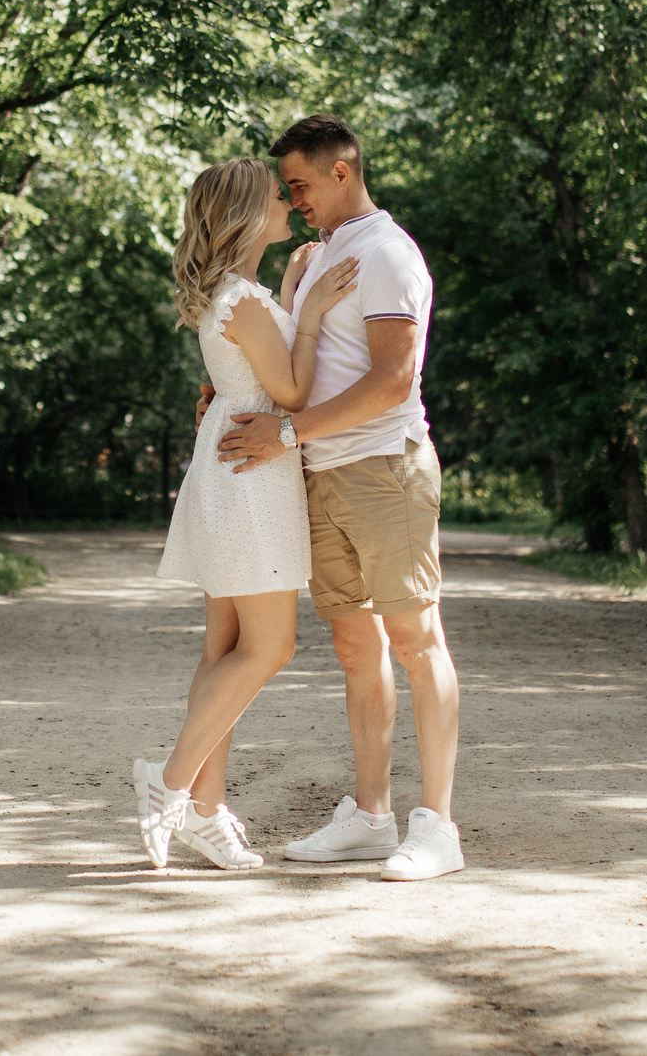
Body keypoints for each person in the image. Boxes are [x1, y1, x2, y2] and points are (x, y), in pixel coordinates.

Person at [212, 114, 463, 882]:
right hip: (322, 472)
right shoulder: (321, 258)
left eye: (300, 185)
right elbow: (295, 356)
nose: (293, 200)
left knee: (417, 640)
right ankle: (370, 816)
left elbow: (391, 380)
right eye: (287, 189)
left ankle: (439, 828)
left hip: (385, 468)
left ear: (343, 170)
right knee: (358, 648)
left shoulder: (388, 253)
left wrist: (285, 432)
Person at [133, 157, 360, 871]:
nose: (288, 204)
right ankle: (169, 782)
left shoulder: (235, 294)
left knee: (224, 647)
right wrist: (317, 309)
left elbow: (260, 356)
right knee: (270, 647)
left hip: (229, 468)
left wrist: (295, 290)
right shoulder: (244, 301)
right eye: (275, 197)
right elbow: (292, 389)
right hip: (251, 478)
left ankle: (204, 811)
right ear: (244, 214)